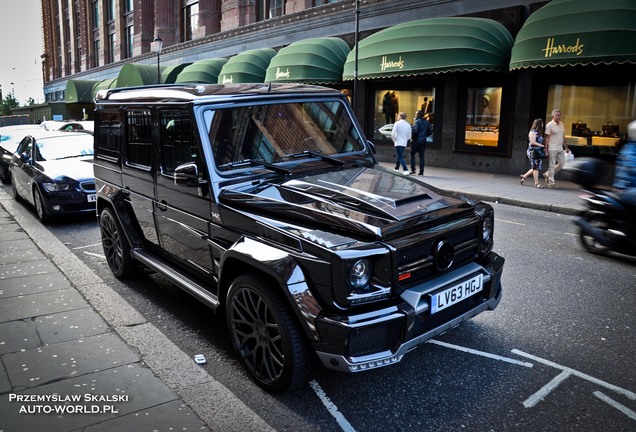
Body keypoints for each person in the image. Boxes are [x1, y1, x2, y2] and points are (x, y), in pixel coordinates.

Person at [543, 108, 570, 188]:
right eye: (557, 115)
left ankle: (548, 174)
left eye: (560, 115)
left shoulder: (561, 124)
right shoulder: (549, 125)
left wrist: (566, 146)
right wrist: (546, 149)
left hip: (560, 148)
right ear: (553, 116)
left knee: (562, 163)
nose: (559, 117)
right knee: (552, 165)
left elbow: (563, 135)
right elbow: (546, 138)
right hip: (552, 147)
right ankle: (551, 183)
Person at [520, 118, 546, 188]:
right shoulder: (533, 131)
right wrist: (542, 145)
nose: (543, 124)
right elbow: (532, 142)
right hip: (533, 151)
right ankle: (536, 183)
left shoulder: (538, 132)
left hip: (538, 151)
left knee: (536, 167)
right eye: (542, 123)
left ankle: (524, 176)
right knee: (536, 167)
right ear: (539, 124)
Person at [410, 110, 432, 175]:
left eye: (416, 114)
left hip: (416, 141)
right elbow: (430, 132)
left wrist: (413, 138)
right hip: (423, 141)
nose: (415, 115)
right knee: (421, 156)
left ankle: (413, 169)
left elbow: (415, 131)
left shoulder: (417, 122)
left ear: (418, 115)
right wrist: (424, 136)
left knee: (412, 154)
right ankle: (421, 171)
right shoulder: (427, 122)